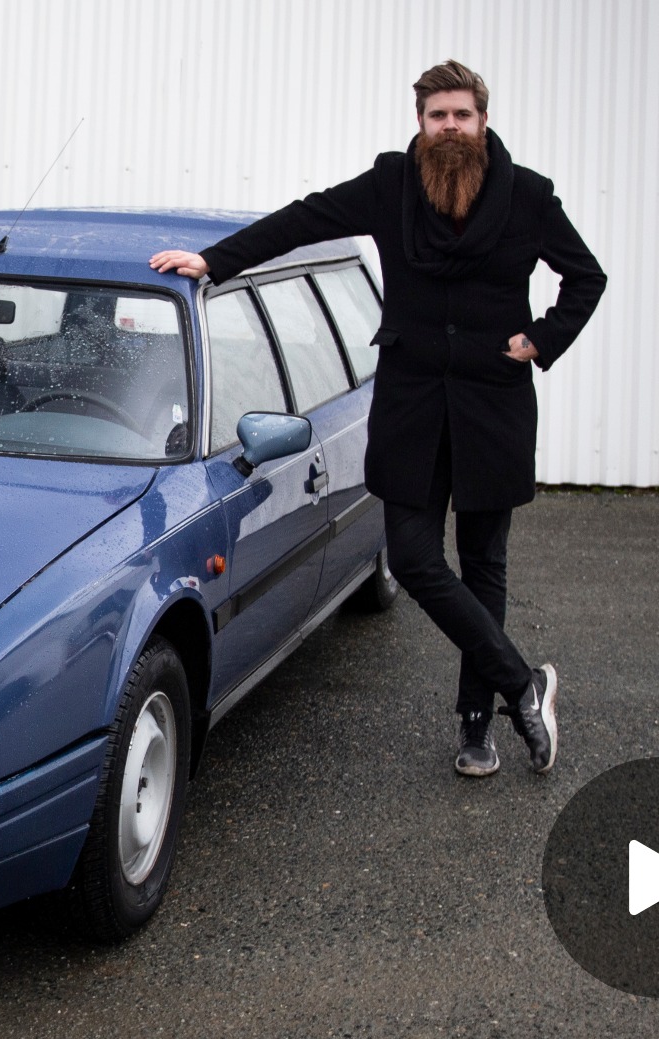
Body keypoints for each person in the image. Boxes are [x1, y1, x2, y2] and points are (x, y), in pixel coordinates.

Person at [150, 60, 605, 778]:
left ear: (482, 120)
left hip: (493, 406)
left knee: (485, 566)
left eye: (461, 115)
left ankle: (477, 726)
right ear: (420, 122)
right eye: (437, 116)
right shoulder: (394, 185)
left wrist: (542, 338)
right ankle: (525, 684)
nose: (449, 128)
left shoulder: (529, 198)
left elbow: (587, 276)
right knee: (418, 559)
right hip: (415, 406)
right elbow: (306, 219)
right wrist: (214, 260)